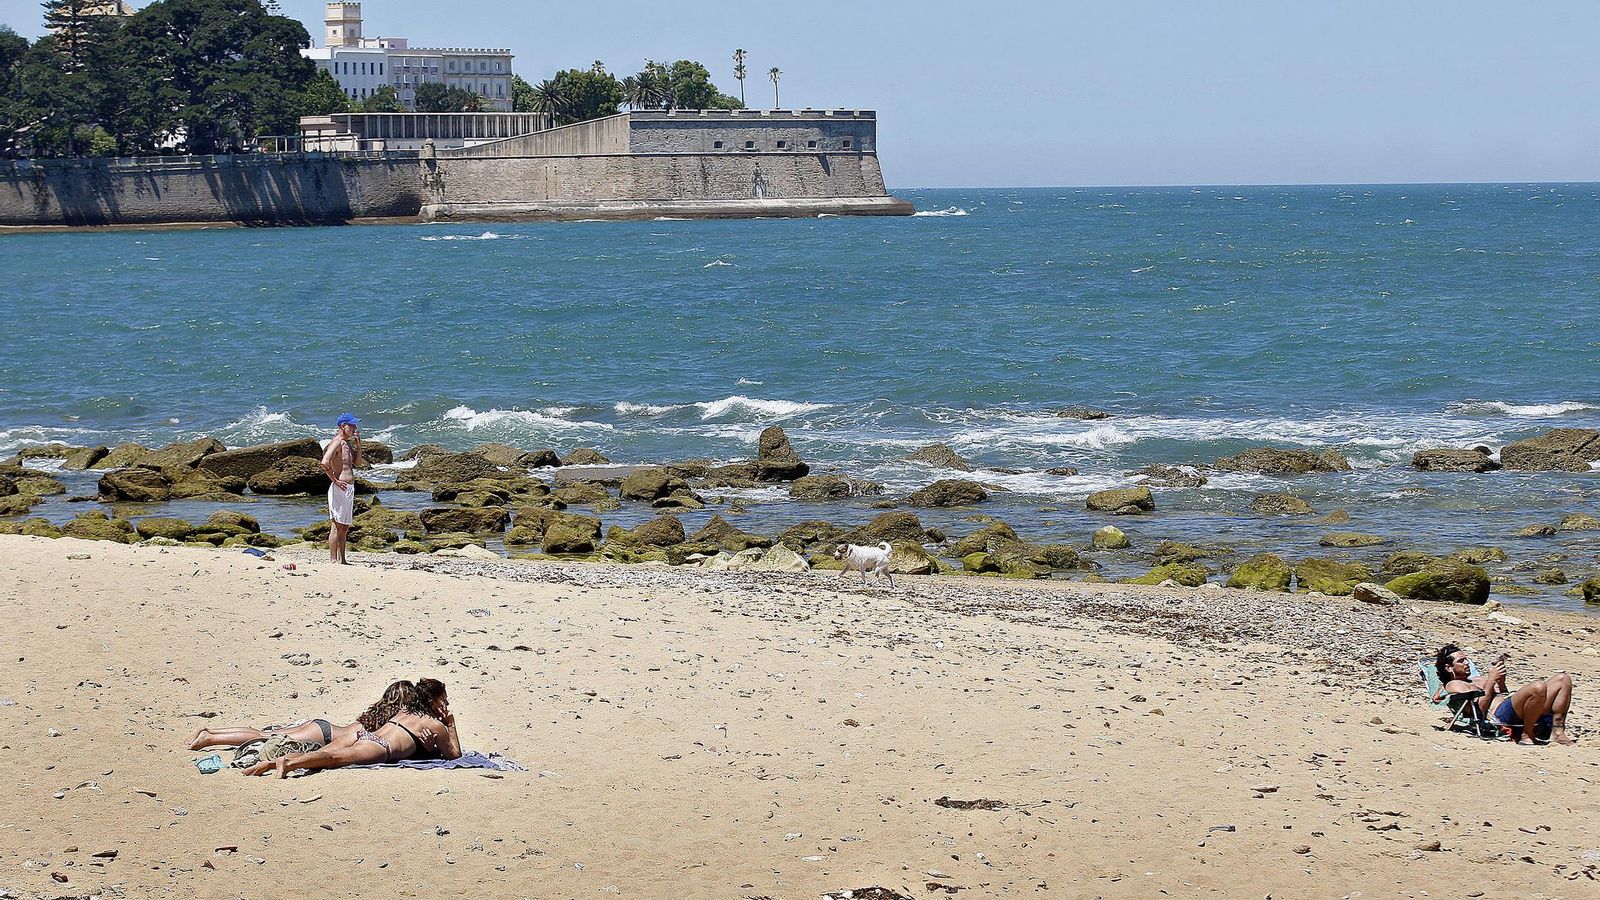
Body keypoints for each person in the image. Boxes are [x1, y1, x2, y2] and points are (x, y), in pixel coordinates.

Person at [245, 678, 461, 777]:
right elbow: (454, 755)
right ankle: (288, 763)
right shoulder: (435, 725)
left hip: (363, 736)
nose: (446, 704)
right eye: (443, 700)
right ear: (433, 701)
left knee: (323, 754)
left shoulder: (403, 712)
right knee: (333, 760)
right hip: (380, 747)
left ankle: (269, 764)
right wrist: (450, 724)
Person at [184, 680, 420, 751]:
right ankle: (210, 739)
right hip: (323, 736)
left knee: (264, 734)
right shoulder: (390, 722)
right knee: (263, 738)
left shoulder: (375, 713)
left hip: (320, 725)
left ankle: (211, 732)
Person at [1436, 644, 1576, 745]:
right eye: (1461, 661)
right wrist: (1491, 679)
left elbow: (1501, 694)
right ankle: (1526, 734)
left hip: (1512, 707)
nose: (1466, 663)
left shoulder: (1476, 679)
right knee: (1538, 686)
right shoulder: (1453, 684)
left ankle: (1558, 732)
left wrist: (1501, 683)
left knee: (1563, 679)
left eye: (1466, 659)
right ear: (1449, 668)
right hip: (1498, 714)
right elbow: (1480, 711)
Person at [321, 413, 364, 564]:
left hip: (349, 488)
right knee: (336, 524)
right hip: (340, 488)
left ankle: (343, 559)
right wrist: (335, 480)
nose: (355, 428)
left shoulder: (347, 444)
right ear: (342, 426)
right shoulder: (337, 442)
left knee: (344, 526)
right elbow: (324, 462)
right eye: (352, 426)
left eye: (355, 425)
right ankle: (333, 560)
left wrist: (358, 446)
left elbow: (357, 464)